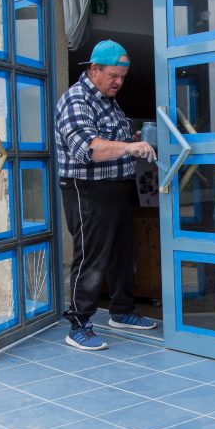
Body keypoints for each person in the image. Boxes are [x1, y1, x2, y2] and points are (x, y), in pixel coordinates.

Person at [54, 39, 158, 351]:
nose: (119, 82)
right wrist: (129, 147)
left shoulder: (108, 102)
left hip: (116, 188)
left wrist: (134, 138)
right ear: (94, 69)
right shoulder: (77, 100)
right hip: (87, 189)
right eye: (113, 75)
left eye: (123, 77)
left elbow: (112, 140)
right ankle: (78, 324)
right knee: (91, 258)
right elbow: (88, 148)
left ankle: (121, 311)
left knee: (123, 254)